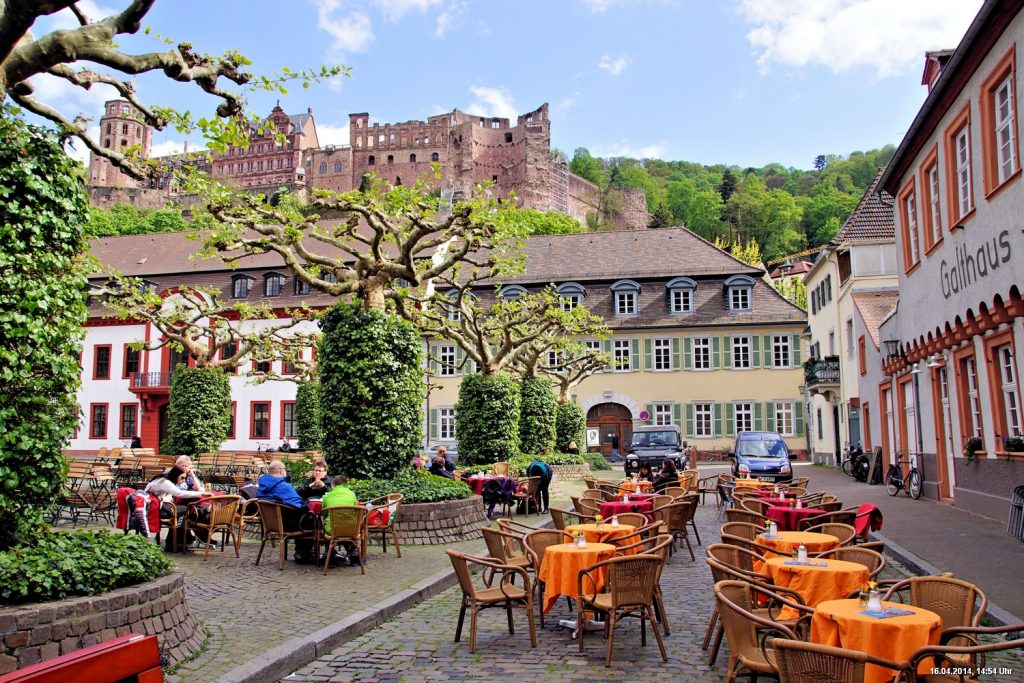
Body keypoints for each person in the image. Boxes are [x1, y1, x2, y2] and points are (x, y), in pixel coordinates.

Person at [258, 460, 314, 563]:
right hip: (286, 524)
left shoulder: (262, 486)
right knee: (311, 520)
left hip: (271, 524)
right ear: (280, 470)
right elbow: (299, 505)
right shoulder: (284, 486)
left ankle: (302, 552)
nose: (285, 472)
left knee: (303, 518)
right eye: (285, 469)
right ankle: (304, 553)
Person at [145, 465, 209, 550]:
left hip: (154, 506)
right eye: (182, 478)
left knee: (183, 510)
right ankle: (174, 543)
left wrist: (164, 499)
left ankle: (177, 541)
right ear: (176, 475)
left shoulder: (163, 480)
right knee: (183, 510)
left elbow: (168, 496)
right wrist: (201, 494)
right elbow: (179, 493)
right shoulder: (165, 482)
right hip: (153, 509)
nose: (183, 481)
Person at [321, 475, 361, 565]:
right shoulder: (352, 494)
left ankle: (330, 556)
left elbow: (325, 513)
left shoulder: (327, 496)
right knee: (347, 525)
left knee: (325, 524)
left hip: (333, 530)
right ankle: (354, 554)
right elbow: (356, 508)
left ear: (333, 485)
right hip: (351, 529)